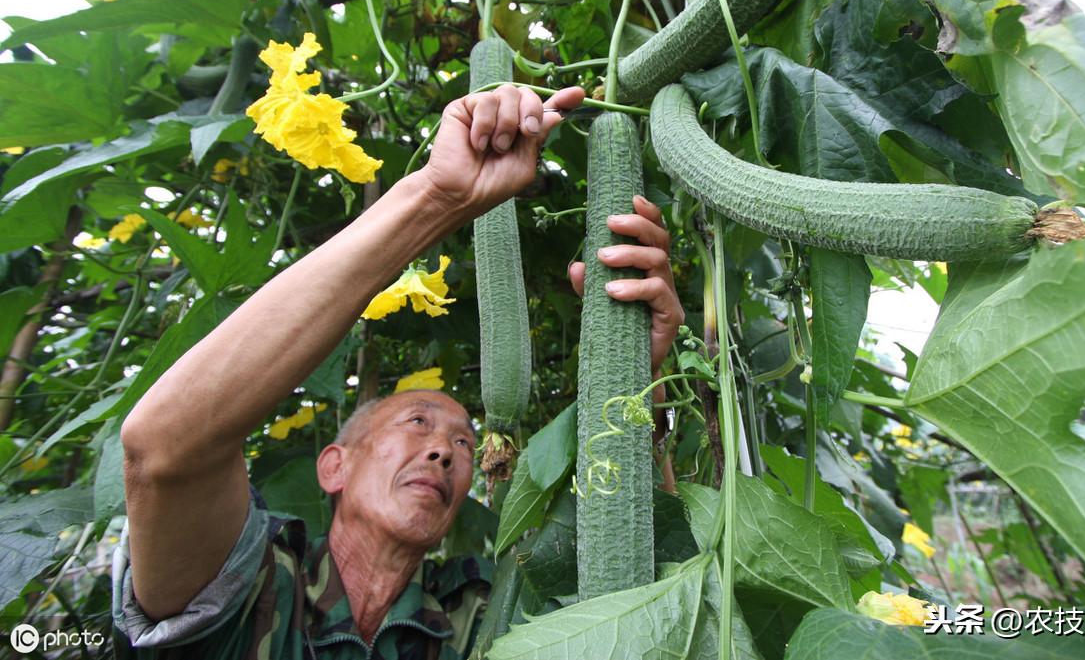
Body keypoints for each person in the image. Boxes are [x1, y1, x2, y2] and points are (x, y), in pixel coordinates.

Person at [113, 83, 686, 658]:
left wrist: (634, 381)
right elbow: (162, 451)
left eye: (464, 443)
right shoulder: (247, 588)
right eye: (417, 422)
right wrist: (436, 196)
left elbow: (635, 605)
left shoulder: (486, 616)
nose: (445, 452)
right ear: (334, 465)